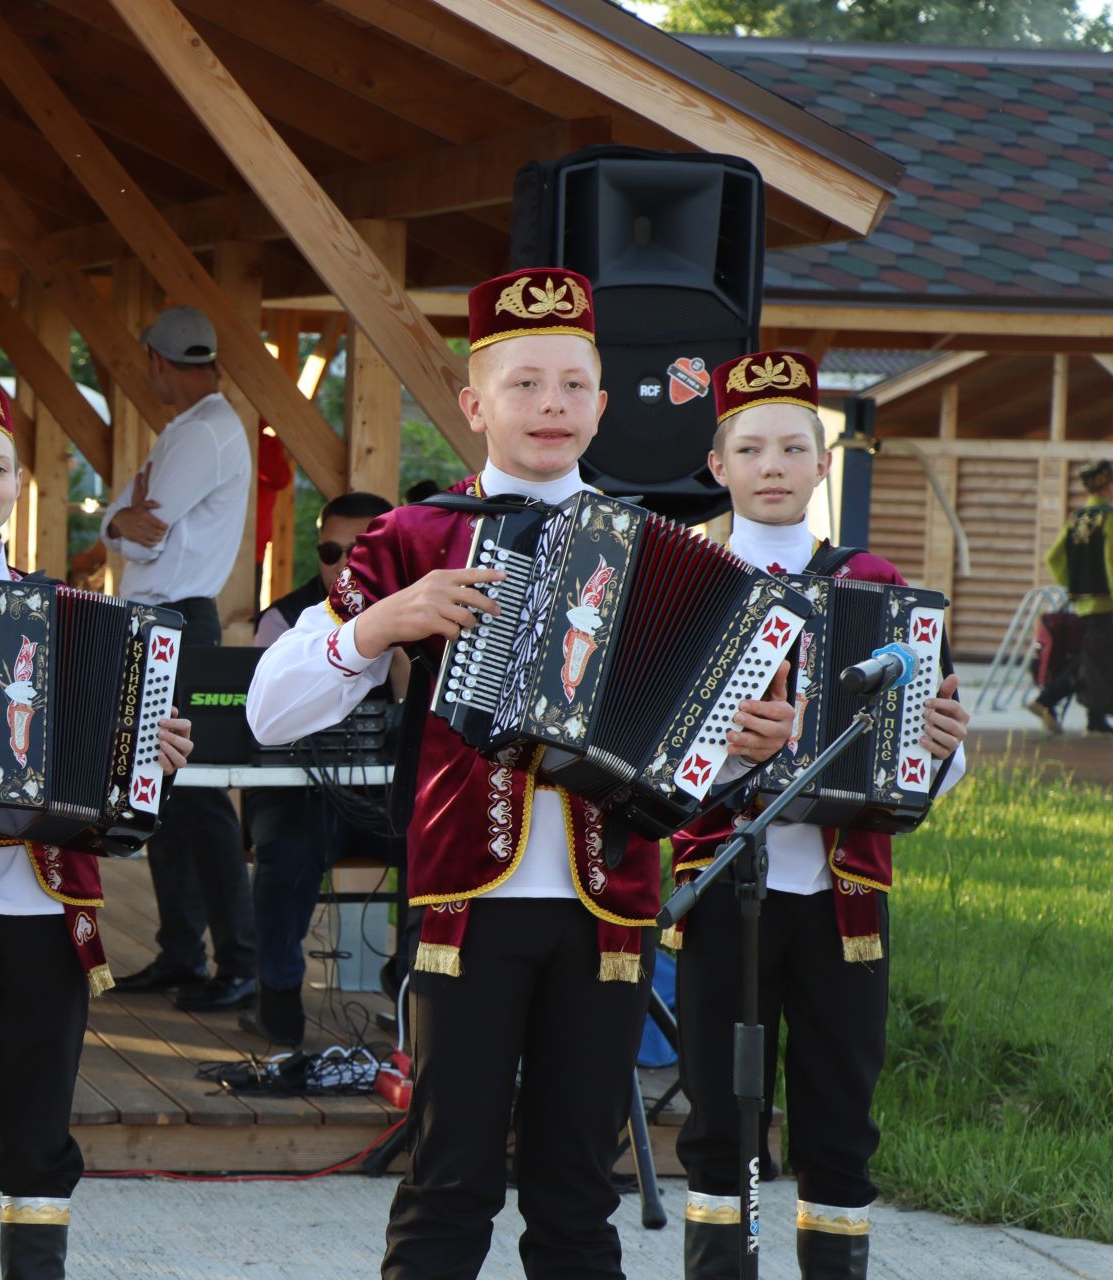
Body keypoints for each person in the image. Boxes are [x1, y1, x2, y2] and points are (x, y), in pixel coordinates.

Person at [246, 268, 796, 1278]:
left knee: (580, 1191)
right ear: (473, 404)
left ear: (598, 401)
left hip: (611, 907)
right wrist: (380, 623)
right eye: (524, 384)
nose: (551, 406)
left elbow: (688, 763)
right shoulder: (418, 534)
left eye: (573, 385)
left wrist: (746, 742)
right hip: (467, 899)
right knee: (449, 1179)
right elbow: (270, 710)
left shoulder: (659, 547)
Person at [0, 379, 195, 1280]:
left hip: (54, 908)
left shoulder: (70, 607)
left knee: (41, 1122)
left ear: (20, 483)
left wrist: (152, 745)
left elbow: (115, 750)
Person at [670, 351, 970, 1280]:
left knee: (841, 1108)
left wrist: (941, 745)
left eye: (793, 447)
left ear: (820, 465)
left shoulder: (876, 581)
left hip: (845, 893)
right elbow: (644, 756)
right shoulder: (687, 576)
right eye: (750, 447)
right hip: (721, 882)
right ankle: (725, 1267)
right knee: (720, 1115)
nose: (772, 465)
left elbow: (933, 768)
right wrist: (726, 750)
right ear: (717, 465)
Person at [100, 306, 258, 1011]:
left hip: (178, 616)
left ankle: (238, 960)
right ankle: (182, 952)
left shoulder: (204, 432)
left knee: (193, 795)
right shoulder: (197, 429)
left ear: (158, 363)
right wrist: (120, 521)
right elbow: (122, 521)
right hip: (161, 616)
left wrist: (121, 523)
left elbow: (139, 535)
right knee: (154, 790)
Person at [244, 490, 403, 1048]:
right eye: (329, 551)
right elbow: (262, 725)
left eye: (356, 551)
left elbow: (414, 712)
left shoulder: (422, 612)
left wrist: (401, 635)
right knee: (287, 852)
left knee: (436, 846)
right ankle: (278, 998)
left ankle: (410, 987)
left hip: (387, 800)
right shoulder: (284, 619)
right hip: (300, 794)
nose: (340, 564)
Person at [1028, 459, 1113, 734]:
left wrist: (1073, 583)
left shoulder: (1076, 518)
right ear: (1109, 486)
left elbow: (1053, 557)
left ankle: (1094, 718)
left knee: (1096, 659)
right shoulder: (1109, 518)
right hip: (1107, 602)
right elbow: (1111, 562)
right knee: (1093, 660)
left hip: (1084, 603)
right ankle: (1047, 700)